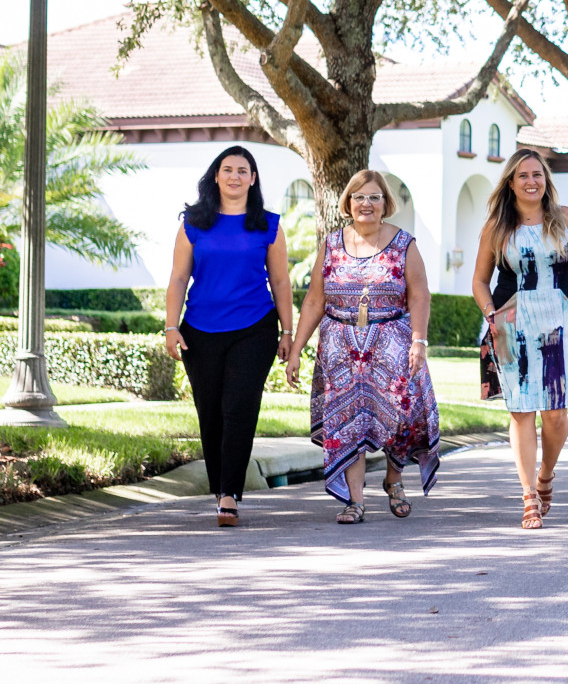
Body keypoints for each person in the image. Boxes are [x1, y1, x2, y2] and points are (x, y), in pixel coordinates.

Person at [286, 170, 441, 524]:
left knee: (399, 418)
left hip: (394, 344)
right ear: (347, 203)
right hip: (341, 350)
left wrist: (419, 340)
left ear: (385, 203)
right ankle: (355, 501)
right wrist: (296, 350)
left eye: (374, 197)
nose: (366, 204)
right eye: (359, 197)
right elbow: (313, 301)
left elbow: (419, 294)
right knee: (347, 423)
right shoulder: (331, 243)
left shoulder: (404, 243)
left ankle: (394, 477)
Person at [163, 146, 294, 528]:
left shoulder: (268, 225)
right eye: (228, 169)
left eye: (243, 170)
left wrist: (287, 331)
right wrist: (171, 326)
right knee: (211, 411)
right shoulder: (193, 222)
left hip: (255, 328)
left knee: (239, 407)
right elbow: (177, 278)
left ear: (253, 179)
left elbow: (281, 281)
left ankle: (229, 495)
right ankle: (221, 485)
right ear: (216, 177)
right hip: (200, 331)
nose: (235, 176)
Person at [472, 148, 568, 530]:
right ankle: (528, 497)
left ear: (546, 180)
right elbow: (479, 280)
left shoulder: (566, 219)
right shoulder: (496, 226)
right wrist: (492, 313)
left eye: (537, 174)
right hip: (513, 325)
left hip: (559, 324)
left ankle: (545, 476)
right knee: (521, 411)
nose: (531, 181)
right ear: (511, 182)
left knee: (556, 414)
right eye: (523, 175)